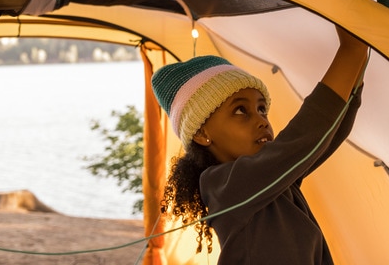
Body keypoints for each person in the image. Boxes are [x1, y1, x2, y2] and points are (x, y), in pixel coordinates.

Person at [152, 25, 368, 264]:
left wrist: (359, 61)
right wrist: (351, 51)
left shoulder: (276, 181)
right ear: (202, 133)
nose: (261, 121)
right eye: (240, 110)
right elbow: (307, 134)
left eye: (262, 109)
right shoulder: (224, 184)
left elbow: (328, 133)